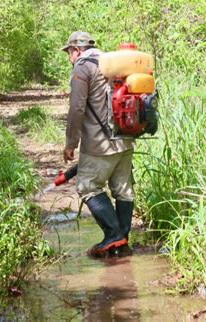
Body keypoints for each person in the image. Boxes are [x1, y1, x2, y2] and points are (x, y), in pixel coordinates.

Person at [61, 31, 135, 257]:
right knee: (123, 191)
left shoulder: (83, 67)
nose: (69, 58)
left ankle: (114, 236)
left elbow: (77, 109)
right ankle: (122, 245)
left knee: (88, 186)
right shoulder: (114, 64)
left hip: (100, 144)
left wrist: (70, 143)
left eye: (69, 53)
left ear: (76, 50)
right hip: (125, 139)